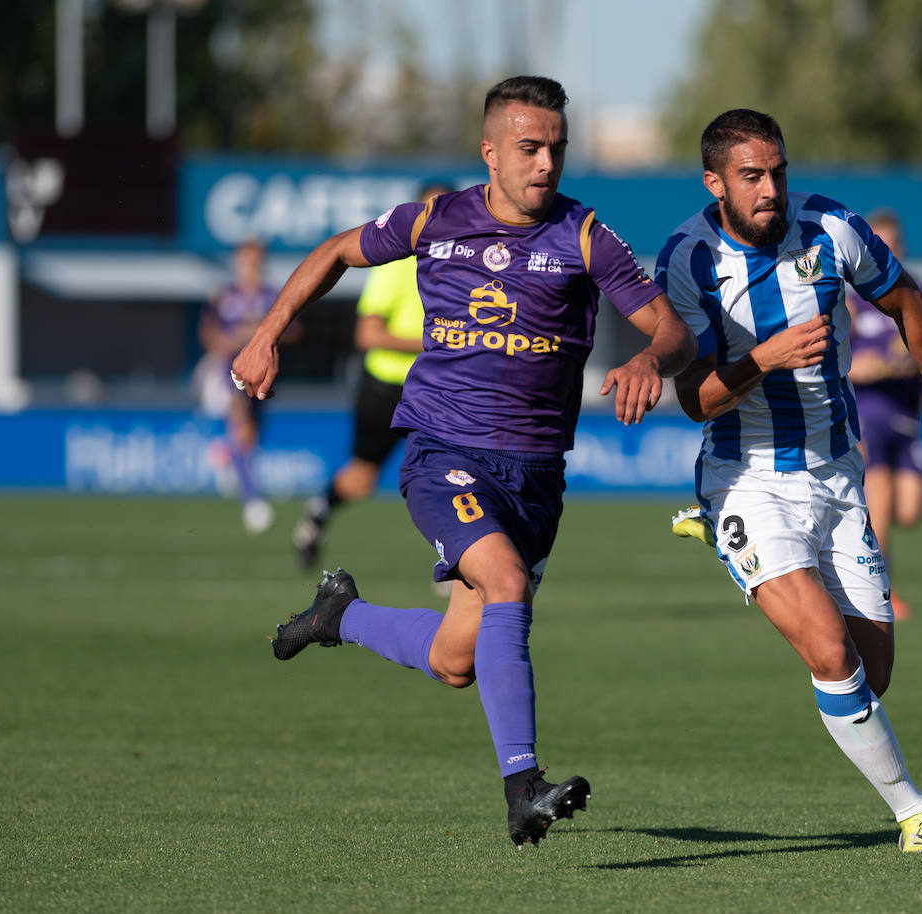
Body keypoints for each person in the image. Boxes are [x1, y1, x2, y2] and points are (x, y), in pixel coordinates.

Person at [230, 75, 697, 847]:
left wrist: (652, 358)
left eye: (556, 148)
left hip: (536, 477)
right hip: (443, 454)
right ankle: (524, 788)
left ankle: (337, 615)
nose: (546, 163)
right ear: (490, 152)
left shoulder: (586, 235)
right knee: (505, 582)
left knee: (456, 661)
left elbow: (672, 332)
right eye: (529, 148)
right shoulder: (435, 220)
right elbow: (336, 251)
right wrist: (268, 332)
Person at [655, 109, 922, 852]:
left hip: (836, 474)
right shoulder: (688, 260)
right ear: (715, 182)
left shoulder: (832, 230)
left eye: (778, 171)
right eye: (752, 176)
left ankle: (727, 546)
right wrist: (764, 357)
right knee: (830, 654)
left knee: (870, 673)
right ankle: (915, 814)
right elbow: (690, 395)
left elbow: (907, 300)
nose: (771, 189)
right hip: (746, 477)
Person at [292, 181, 453, 571]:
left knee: (455, 475)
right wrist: (429, 341)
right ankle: (317, 514)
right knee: (361, 479)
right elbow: (367, 334)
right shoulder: (398, 266)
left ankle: (458, 565)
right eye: (427, 209)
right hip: (386, 388)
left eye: (444, 209)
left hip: (437, 389)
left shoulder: (464, 268)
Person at [846, 209, 922, 621]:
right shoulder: (850, 298)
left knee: (910, 511)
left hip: (906, 416)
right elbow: (833, 357)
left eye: (894, 244)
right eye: (881, 244)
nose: (889, 251)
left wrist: (885, 365)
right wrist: (855, 368)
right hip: (868, 417)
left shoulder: (915, 292)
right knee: (879, 510)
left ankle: (851, 557)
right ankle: (881, 594)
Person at [196, 239, 278, 534]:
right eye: (246, 260)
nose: (251, 266)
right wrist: (229, 341)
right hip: (230, 370)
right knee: (241, 424)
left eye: (256, 260)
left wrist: (260, 334)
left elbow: (292, 328)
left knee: (250, 436)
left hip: (262, 373)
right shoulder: (224, 295)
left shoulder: (271, 296)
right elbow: (208, 332)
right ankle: (253, 502)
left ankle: (225, 454)